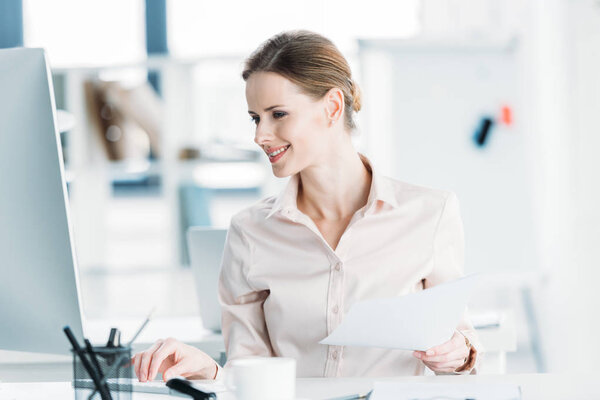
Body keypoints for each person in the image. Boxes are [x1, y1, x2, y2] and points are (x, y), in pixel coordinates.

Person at [132, 30, 481, 382]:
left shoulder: (429, 214)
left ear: (332, 107)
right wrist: (211, 371)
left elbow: (460, 343)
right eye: (255, 118)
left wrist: (459, 353)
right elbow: (248, 374)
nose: (259, 135)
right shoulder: (250, 231)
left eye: (278, 114)